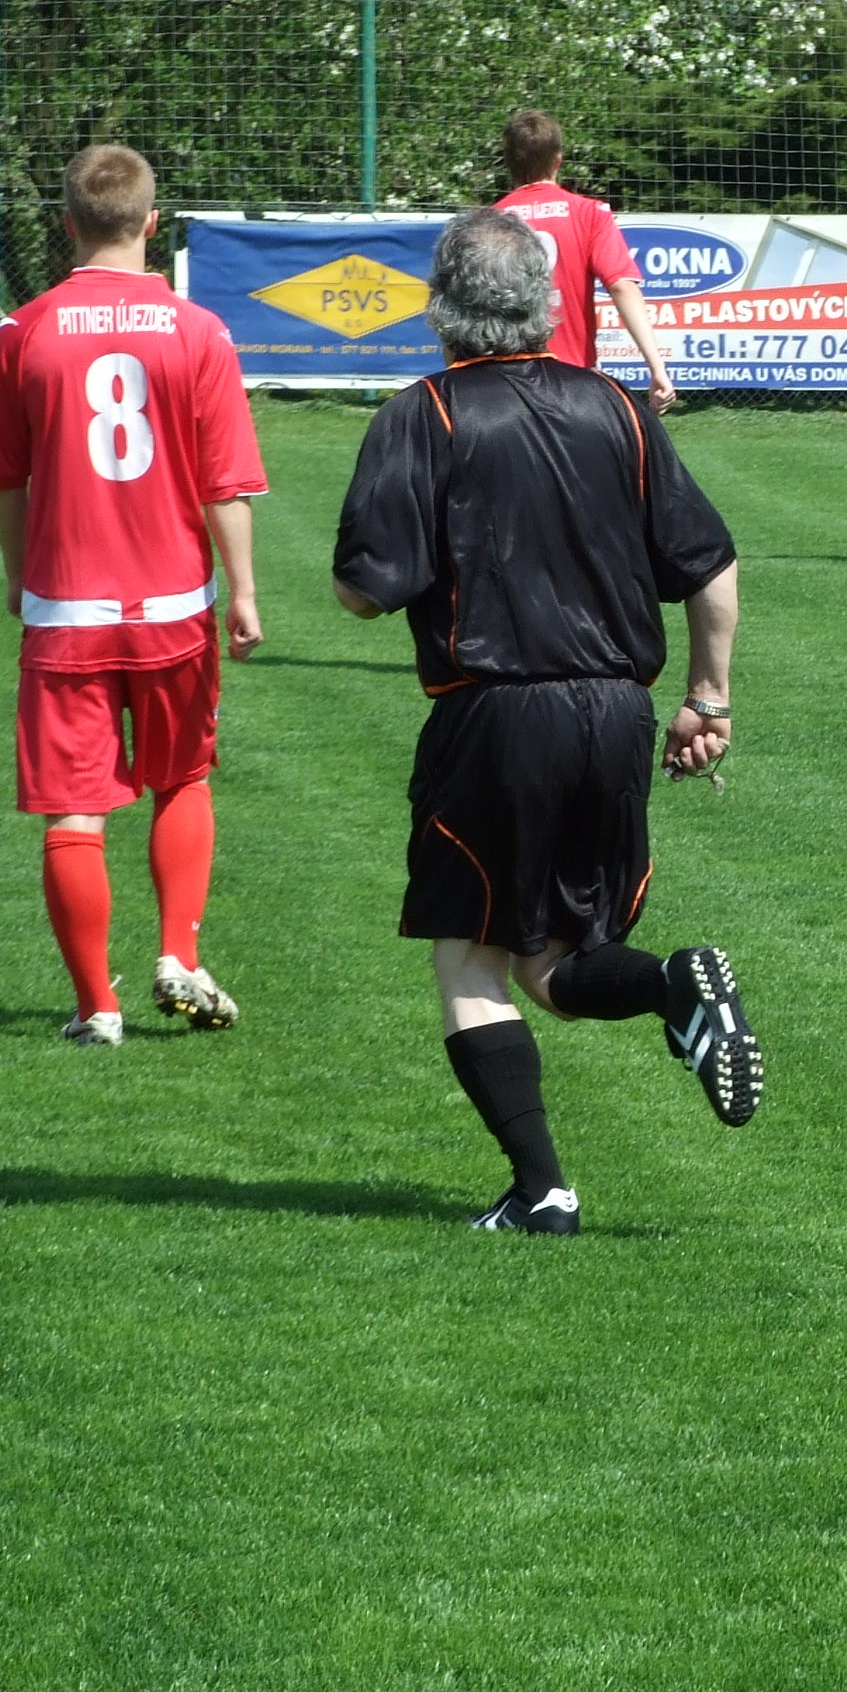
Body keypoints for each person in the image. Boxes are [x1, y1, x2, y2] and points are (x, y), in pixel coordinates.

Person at [332, 207, 760, 1233]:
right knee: (552, 963)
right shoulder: (616, 408)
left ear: (440, 308)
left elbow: (364, 590)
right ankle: (673, 987)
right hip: (616, 712)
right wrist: (707, 698)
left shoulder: (424, 415)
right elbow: (709, 564)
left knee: (469, 957)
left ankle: (542, 1193)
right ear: (548, 302)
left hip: (495, 714)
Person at [0, 143, 266, 1044]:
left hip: (66, 609)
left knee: (75, 808)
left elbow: (3, 479)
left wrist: (18, 576)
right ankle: (179, 952)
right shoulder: (200, 331)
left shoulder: (22, 334)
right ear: (151, 224)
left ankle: (98, 1007)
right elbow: (225, 485)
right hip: (174, 605)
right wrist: (243, 591)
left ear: (67, 224)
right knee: (183, 778)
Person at [493, 107, 677, 415]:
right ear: (558, 161)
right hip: (573, 380)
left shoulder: (488, 221)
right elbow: (622, 287)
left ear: (508, 162)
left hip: (506, 382)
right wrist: (657, 368)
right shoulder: (589, 214)